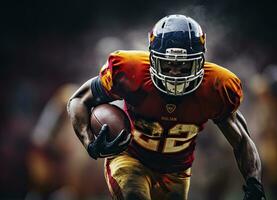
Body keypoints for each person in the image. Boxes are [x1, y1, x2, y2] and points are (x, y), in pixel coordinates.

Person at [67, 14, 266, 200]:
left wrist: (254, 182)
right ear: (152, 60)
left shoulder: (216, 87)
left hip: (177, 171)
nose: (175, 74)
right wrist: (89, 143)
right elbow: (78, 100)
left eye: (183, 66)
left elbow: (242, 141)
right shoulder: (130, 71)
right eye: (167, 65)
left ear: (200, 62)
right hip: (130, 158)